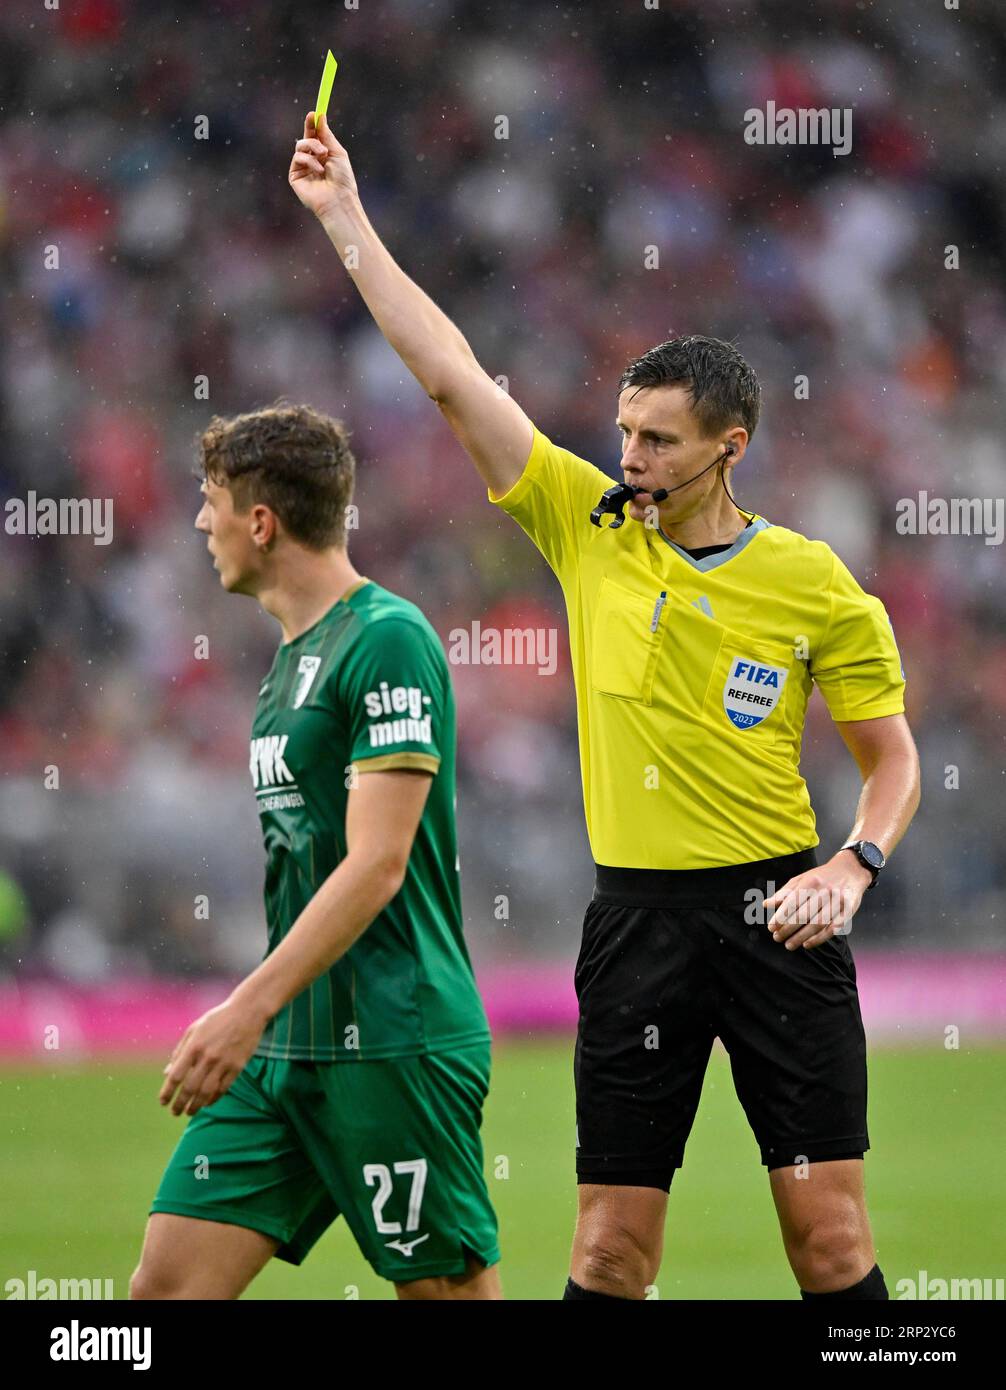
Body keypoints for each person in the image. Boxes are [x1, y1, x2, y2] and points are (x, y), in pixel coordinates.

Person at [288, 109, 920, 1302]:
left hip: (779, 921)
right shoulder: (584, 528)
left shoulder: (813, 582)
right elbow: (447, 374)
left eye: (657, 439)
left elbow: (892, 761)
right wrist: (345, 219)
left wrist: (855, 866)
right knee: (608, 1253)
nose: (626, 454)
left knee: (827, 1244)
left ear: (728, 447)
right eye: (623, 429)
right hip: (634, 928)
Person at [130, 401, 501, 1300]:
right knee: (165, 1290)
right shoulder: (291, 657)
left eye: (211, 501)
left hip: (390, 1038)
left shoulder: (389, 640)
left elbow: (379, 865)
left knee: (445, 1296)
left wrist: (242, 1009)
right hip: (287, 1048)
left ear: (261, 521)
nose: (199, 522)